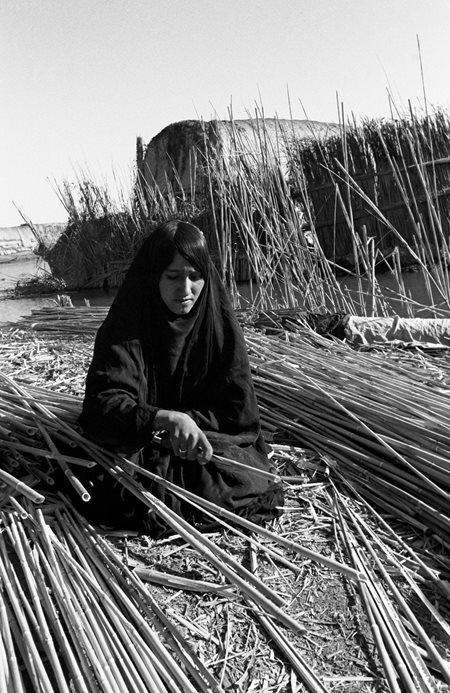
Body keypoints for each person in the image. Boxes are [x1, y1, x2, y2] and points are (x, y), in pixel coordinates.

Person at [77, 219, 283, 537]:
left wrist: (190, 425)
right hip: (142, 442)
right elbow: (102, 404)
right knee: (116, 486)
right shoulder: (125, 327)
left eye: (194, 277)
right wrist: (163, 419)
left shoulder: (220, 327)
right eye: (172, 276)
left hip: (206, 443)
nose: (185, 291)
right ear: (153, 276)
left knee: (240, 480)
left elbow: (238, 412)